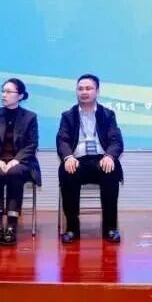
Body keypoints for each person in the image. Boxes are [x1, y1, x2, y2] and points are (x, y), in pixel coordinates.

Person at [57, 74, 124, 244]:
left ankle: (110, 228)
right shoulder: (68, 115)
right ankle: (72, 229)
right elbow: (62, 140)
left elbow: (116, 140)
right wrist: (68, 157)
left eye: (88, 88)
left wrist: (110, 156)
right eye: (80, 89)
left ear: (97, 91)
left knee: (110, 171)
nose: (84, 92)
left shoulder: (107, 114)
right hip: (77, 160)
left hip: (101, 159)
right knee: (68, 171)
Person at [0, 78, 41, 246]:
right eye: (2, 91)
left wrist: (16, 160)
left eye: (8, 92)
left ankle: (12, 225)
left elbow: (32, 144)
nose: (3, 95)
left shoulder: (30, 117)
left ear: (20, 96)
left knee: (15, 172)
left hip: (21, 162)